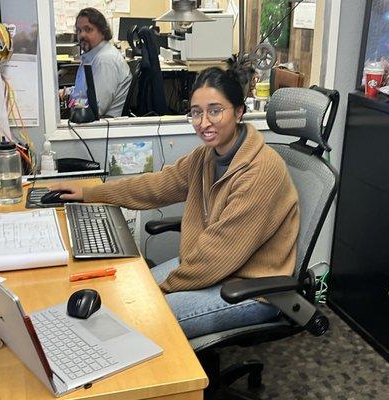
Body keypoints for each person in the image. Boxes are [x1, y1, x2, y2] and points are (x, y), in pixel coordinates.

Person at [51, 63, 300, 339]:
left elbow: (216, 256)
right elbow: (154, 187)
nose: (204, 123)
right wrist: (89, 194)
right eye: (196, 113)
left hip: (250, 288)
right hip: (214, 271)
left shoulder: (261, 171)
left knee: (136, 321)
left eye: (215, 111)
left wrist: (155, 291)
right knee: (119, 304)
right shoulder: (207, 157)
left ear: (239, 112)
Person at [64, 7, 132, 117]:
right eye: (79, 31)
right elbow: (83, 91)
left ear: (103, 32)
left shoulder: (105, 60)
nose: (82, 35)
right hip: (92, 123)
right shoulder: (93, 55)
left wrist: (69, 102)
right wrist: (66, 93)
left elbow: (92, 109)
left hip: (101, 127)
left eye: (88, 29)